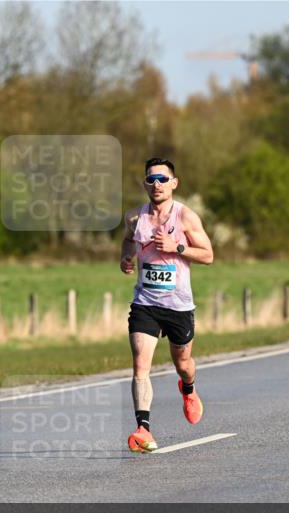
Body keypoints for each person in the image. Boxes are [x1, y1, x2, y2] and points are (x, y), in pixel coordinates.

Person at [120, 157, 214, 453]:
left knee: (183, 364)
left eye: (162, 179)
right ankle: (143, 429)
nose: (156, 185)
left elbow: (209, 254)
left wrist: (178, 248)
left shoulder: (186, 218)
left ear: (174, 184)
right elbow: (127, 240)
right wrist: (127, 258)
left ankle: (188, 389)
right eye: (151, 180)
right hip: (145, 302)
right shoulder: (135, 218)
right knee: (140, 365)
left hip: (179, 306)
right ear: (145, 184)